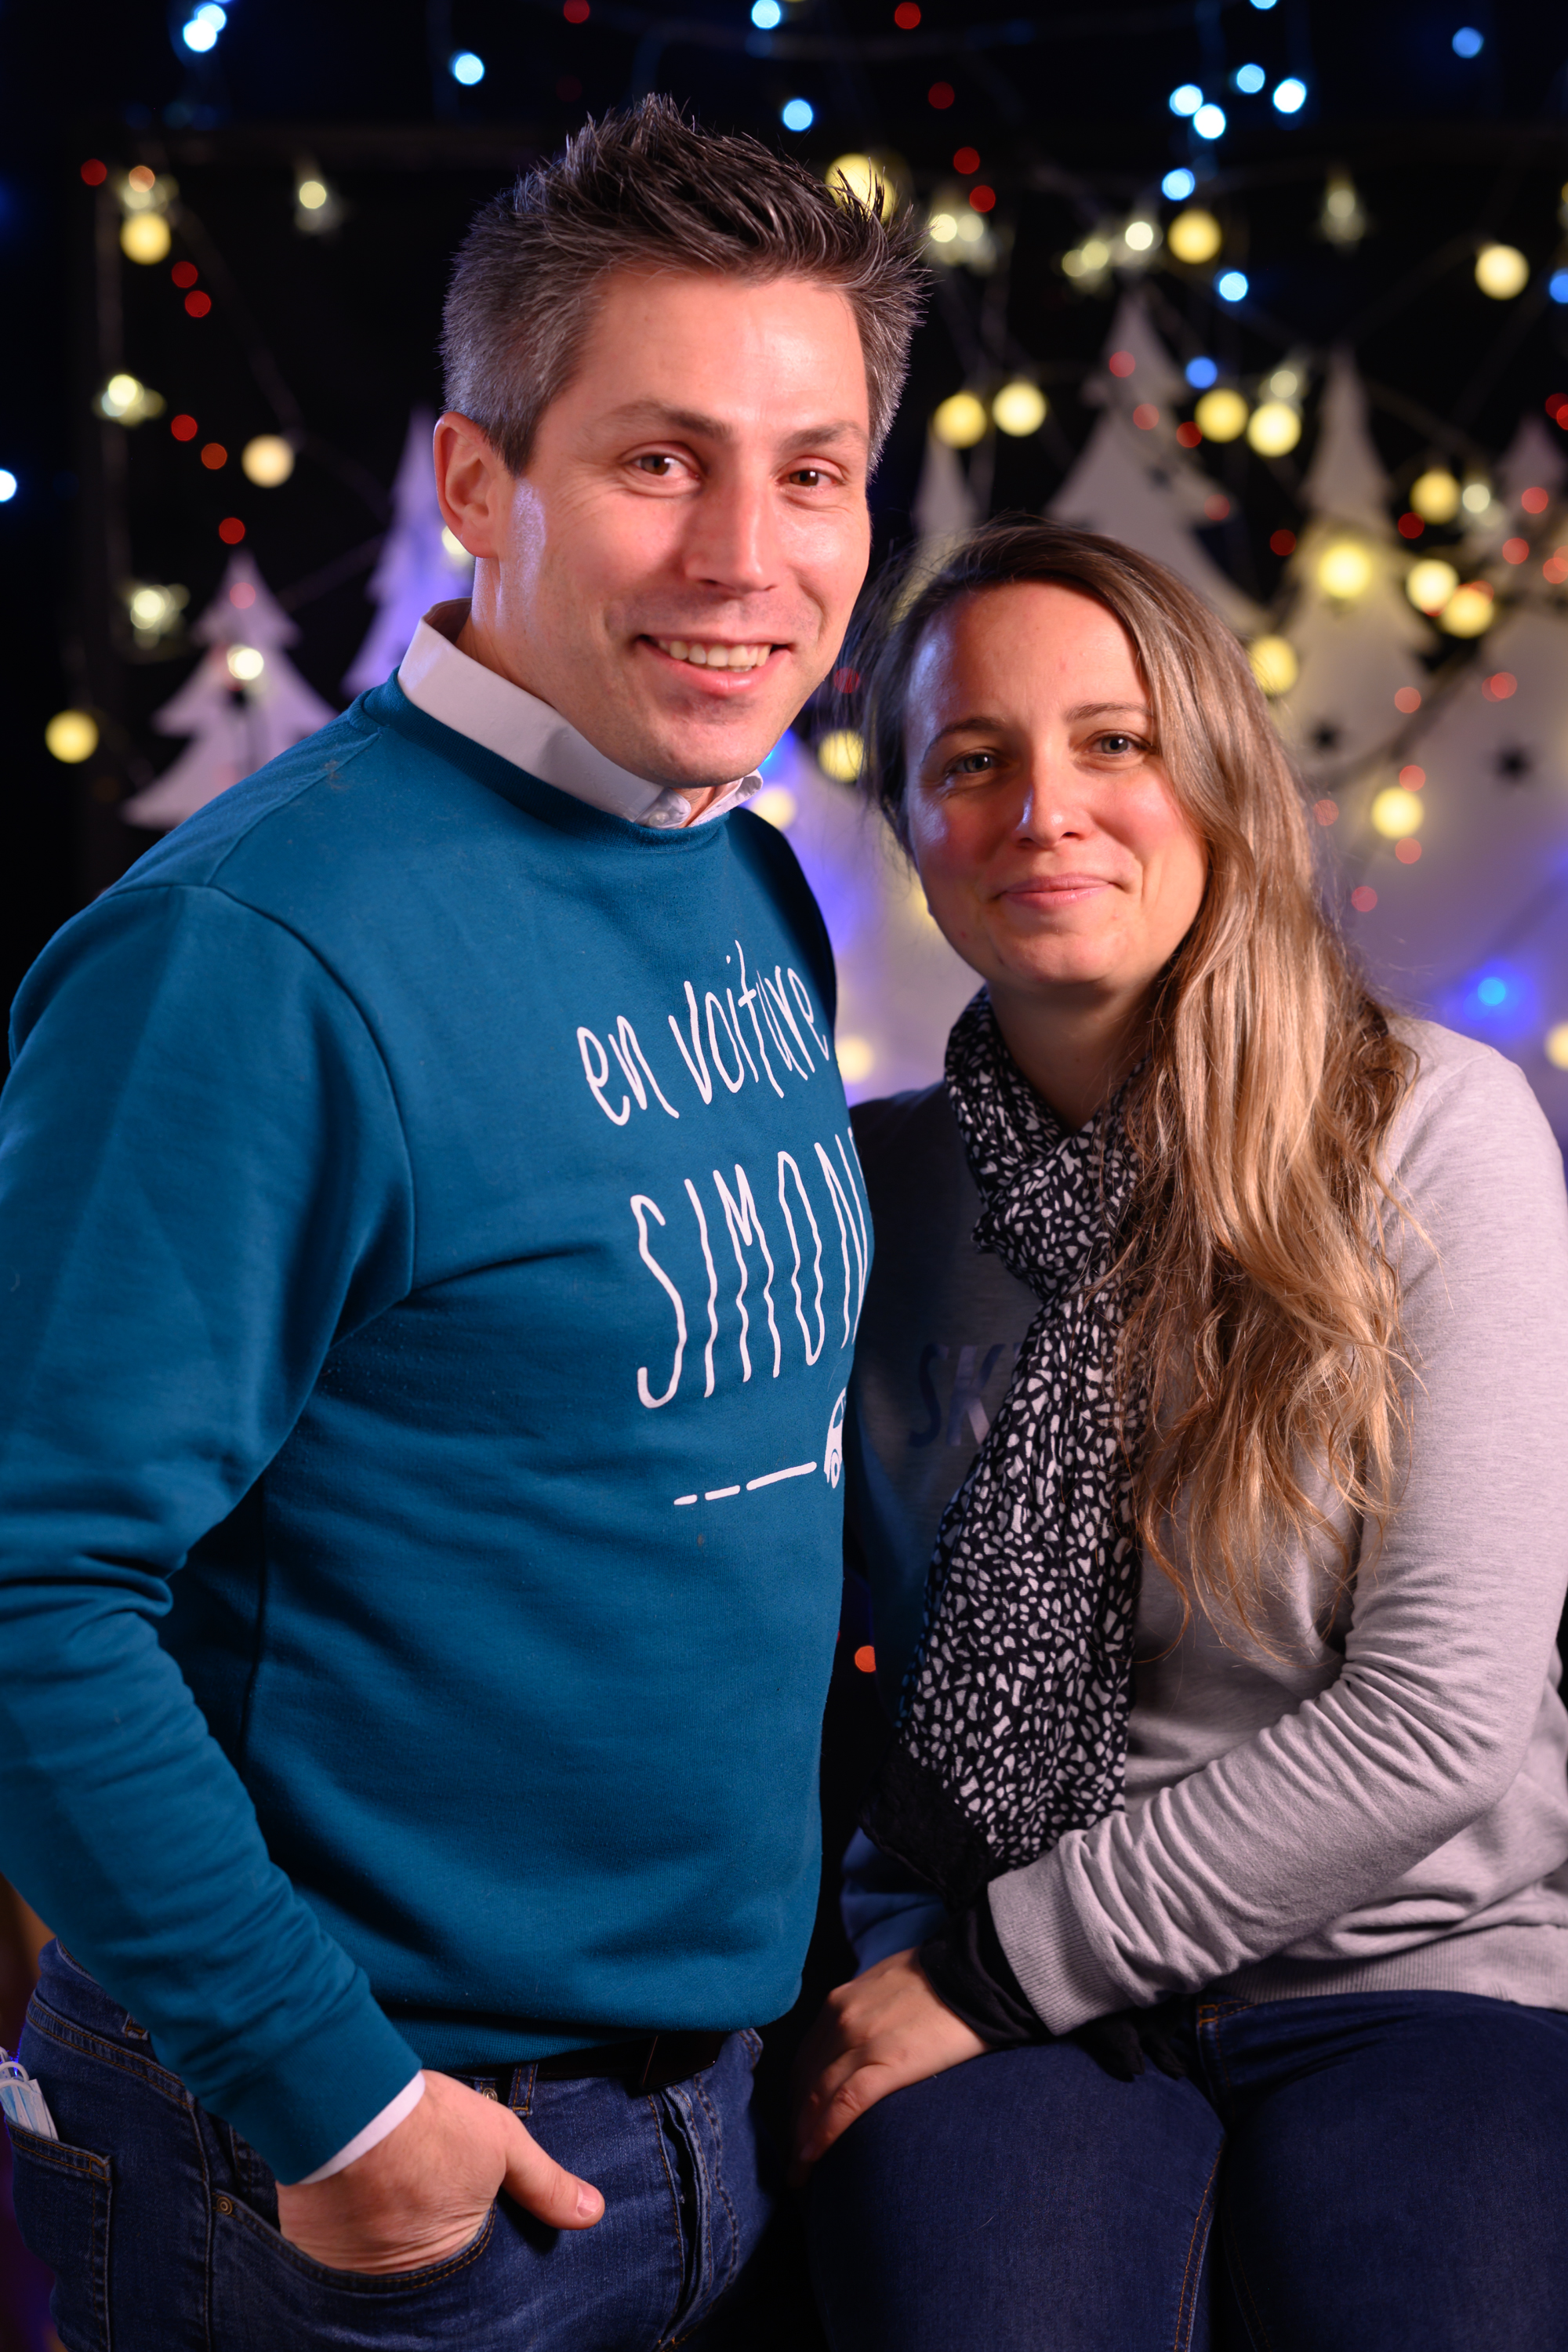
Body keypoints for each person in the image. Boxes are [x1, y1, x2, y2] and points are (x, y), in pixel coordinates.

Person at [0, 101, 923, 2350]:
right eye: (658, 461)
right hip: (355, 2166)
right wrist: (333, 2109)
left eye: (811, 471)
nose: (747, 556)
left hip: (711, 2111)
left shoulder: (741, 870)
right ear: (480, 484)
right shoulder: (253, 955)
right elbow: (27, 1582)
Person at [793, 521, 1568, 2351]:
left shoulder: (1431, 1130)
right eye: (970, 761)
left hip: (1407, 1965)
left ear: (1217, 777)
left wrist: (987, 1976)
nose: (1042, 811)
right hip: (977, 1948)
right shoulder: (860, 1191)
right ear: (911, 829)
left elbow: (1438, 1716)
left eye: (1113, 743)